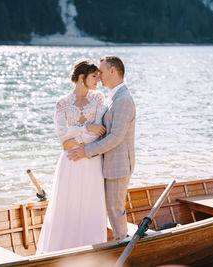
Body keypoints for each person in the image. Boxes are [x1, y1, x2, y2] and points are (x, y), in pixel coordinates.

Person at [36, 59, 108, 254]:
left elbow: (98, 133)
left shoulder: (99, 99)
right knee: (66, 205)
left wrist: (76, 134)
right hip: (70, 162)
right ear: (82, 77)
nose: (98, 80)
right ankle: (60, 252)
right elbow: (63, 138)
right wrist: (86, 128)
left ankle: (91, 253)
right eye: (95, 76)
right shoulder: (62, 104)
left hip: (92, 162)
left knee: (91, 205)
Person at [68, 55, 136, 240]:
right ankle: (115, 241)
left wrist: (86, 151)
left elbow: (116, 137)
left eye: (102, 72)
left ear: (113, 71)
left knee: (115, 210)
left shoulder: (123, 100)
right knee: (110, 209)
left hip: (118, 166)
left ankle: (122, 243)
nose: (99, 76)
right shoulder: (114, 96)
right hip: (108, 164)